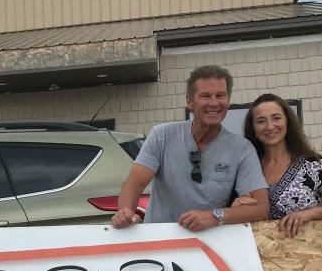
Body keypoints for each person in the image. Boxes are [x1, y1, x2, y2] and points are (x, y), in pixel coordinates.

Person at [111, 65, 269, 231]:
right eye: (205, 96)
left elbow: (261, 208)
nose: (214, 103)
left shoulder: (241, 149)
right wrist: (126, 211)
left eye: (221, 95)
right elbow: (134, 185)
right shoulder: (162, 135)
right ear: (190, 101)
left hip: (210, 243)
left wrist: (215, 216)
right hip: (160, 240)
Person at [231, 93, 322, 237]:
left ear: (288, 122)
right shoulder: (245, 168)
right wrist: (236, 208)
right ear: (254, 130)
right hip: (256, 255)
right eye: (261, 121)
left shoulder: (314, 166)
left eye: (276, 118)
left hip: (303, 255)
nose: (270, 126)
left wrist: (311, 213)